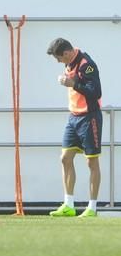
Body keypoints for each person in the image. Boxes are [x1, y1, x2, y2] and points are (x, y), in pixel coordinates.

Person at [47, 38, 103, 218]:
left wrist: (73, 84)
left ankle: (92, 208)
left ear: (66, 53)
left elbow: (96, 92)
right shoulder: (69, 63)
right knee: (65, 158)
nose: (58, 62)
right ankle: (69, 205)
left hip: (89, 117)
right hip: (73, 117)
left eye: (58, 58)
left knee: (91, 161)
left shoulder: (87, 64)